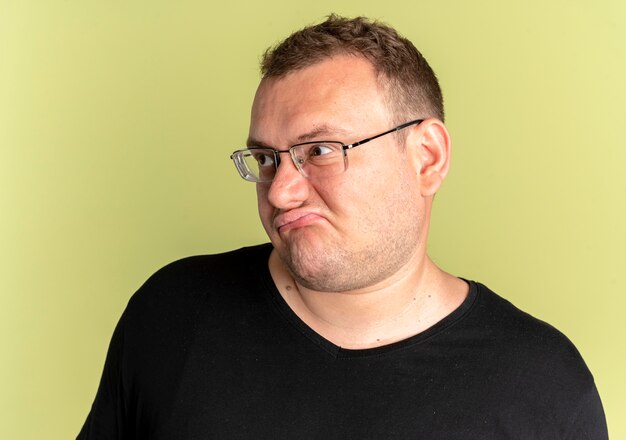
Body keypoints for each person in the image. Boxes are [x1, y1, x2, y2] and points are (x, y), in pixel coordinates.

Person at [78, 15, 607, 439]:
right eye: (266, 158)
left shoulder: (544, 387)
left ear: (427, 157)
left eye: (320, 150)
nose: (280, 191)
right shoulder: (172, 316)